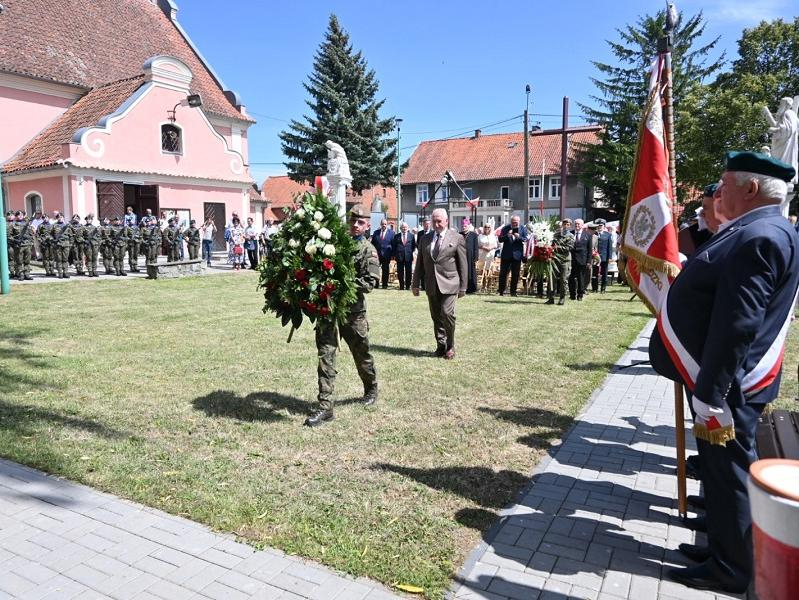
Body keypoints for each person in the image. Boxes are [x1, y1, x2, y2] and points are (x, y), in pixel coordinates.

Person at [648, 151, 799, 594]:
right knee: (717, 471)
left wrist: (711, 393)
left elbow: (739, 323)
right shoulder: (759, 230)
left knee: (729, 473)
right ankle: (721, 546)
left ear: (750, 189)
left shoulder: (761, 236)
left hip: (727, 386)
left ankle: (732, 569)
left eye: (725, 182)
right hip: (723, 381)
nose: (717, 191)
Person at [306, 204, 380, 427]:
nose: (355, 226)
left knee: (361, 353)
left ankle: (371, 387)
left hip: (353, 312)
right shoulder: (337, 245)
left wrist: (343, 284)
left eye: (360, 222)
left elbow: (370, 282)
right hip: (329, 309)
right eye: (352, 221)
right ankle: (325, 406)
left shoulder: (368, 250)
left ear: (367, 225)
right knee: (325, 354)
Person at [412, 208, 467, 359]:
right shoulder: (425, 239)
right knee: (436, 316)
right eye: (434, 221)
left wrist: (463, 287)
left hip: (450, 283)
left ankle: (450, 344)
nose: (436, 224)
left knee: (447, 313)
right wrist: (415, 283)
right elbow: (420, 264)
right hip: (431, 283)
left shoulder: (456, 238)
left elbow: (463, 264)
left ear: (446, 221)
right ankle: (440, 345)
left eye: (439, 221)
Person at [497, 215, 527, 296]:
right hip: (506, 254)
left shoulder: (522, 228)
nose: (515, 224)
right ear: (511, 222)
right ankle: (501, 291)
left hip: (517, 255)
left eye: (516, 222)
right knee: (503, 274)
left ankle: (513, 292)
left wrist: (519, 237)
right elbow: (500, 239)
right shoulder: (505, 228)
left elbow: (525, 239)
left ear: (519, 222)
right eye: (513, 222)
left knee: (515, 274)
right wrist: (507, 235)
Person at [547, 219, 575, 305]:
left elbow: (569, 248)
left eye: (568, 224)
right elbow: (550, 245)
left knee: (563, 280)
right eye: (564, 224)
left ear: (570, 226)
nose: (565, 226)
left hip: (565, 260)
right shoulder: (556, 235)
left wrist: (556, 247)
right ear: (562, 225)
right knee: (552, 279)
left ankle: (562, 298)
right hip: (555, 259)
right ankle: (551, 298)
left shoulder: (570, 236)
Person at [569, 218, 591, 300]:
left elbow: (589, 249)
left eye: (579, 224)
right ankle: (572, 294)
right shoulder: (570, 234)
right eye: (576, 224)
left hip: (582, 260)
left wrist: (588, 261)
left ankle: (580, 295)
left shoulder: (587, 235)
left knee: (581, 278)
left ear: (582, 225)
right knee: (571, 278)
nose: (577, 225)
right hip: (572, 260)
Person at [370, 219, 394, 289]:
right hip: (377, 255)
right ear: (380, 224)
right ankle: (376, 284)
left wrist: (392, 255)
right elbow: (373, 244)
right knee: (376, 270)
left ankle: (384, 284)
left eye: (385, 224)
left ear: (387, 225)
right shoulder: (376, 233)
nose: (384, 225)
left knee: (385, 270)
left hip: (387, 255)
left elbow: (393, 244)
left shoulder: (392, 233)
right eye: (382, 224)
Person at [392, 222, 415, 290]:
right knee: (400, 272)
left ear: (407, 228)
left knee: (408, 272)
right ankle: (401, 286)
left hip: (408, 256)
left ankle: (408, 286)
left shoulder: (411, 236)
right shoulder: (396, 236)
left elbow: (413, 246)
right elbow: (394, 246)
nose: (404, 228)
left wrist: (409, 252)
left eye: (405, 227)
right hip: (399, 257)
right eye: (402, 227)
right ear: (400, 228)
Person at [11, 212, 34, 280]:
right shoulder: (13, 224)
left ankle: (27, 274)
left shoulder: (27, 224)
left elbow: (31, 234)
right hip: (19, 245)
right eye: (19, 215)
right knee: (19, 261)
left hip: (27, 244)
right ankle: (21, 275)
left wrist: (31, 242)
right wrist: (15, 241)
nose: (20, 216)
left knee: (27, 261)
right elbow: (9, 236)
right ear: (16, 216)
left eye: (21, 215)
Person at [460, 219, 479, 294]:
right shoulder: (459, 234)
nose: (464, 227)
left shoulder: (473, 235)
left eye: (465, 226)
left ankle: (471, 288)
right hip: (461, 256)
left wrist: (476, 257)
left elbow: (476, 247)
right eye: (463, 226)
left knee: (471, 272)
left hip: (470, 257)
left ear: (468, 226)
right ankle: (462, 287)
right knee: (462, 271)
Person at [52, 213, 74, 279]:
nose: (60, 218)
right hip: (58, 244)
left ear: (63, 218)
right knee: (59, 259)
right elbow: (50, 235)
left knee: (65, 259)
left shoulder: (67, 226)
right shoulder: (54, 226)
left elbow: (71, 236)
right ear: (57, 218)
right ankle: (60, 273)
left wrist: (70, 244)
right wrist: (53, 241)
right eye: (59, 217)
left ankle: (65, 272)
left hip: (66, 244)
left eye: (61, 217)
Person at [595, 219, 612, 293]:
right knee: (595, 273)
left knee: (604, 273)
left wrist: (610, 257)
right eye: (598, 225)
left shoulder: (608, 235)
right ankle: (595, 288)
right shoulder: (594, 234)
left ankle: (603, 288)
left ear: (604, 226)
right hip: (595, 256)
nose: (599, 227)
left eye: (601, 225)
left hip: (604, 257)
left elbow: (609, 247)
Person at [416, 217, 433, 291]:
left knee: (429, 271)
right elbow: (418, 243)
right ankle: (423, 286)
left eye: (428, 224)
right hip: (422, 255)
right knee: (422, 270)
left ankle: (429, 286)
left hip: (430, 254)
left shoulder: (433, 233)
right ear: (423, 224)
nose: (427, 225)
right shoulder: (420, 233)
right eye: (425, 224)